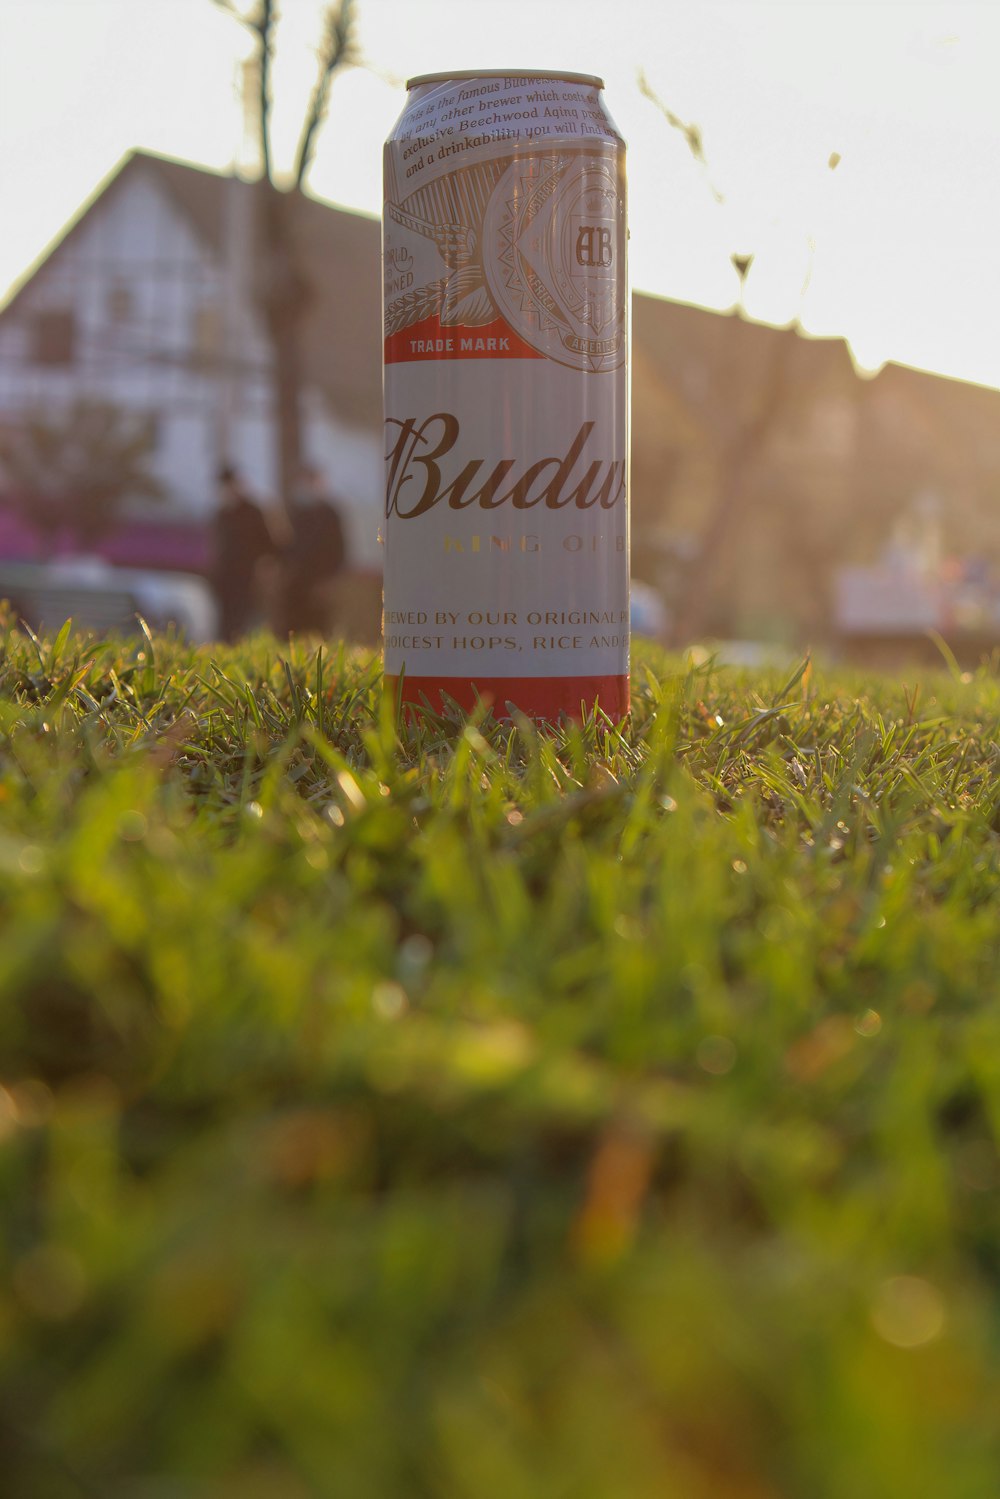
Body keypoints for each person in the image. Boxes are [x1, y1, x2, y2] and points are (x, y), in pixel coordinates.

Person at [280, 462, 348, 637]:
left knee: (319, 631)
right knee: (293, 631)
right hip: (296, 583)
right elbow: (287, 547)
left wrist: (329, 581)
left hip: (321, 582)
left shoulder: (329, 513)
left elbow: (339, 550)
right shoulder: (295, 511)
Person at [211, 464, 277, 641]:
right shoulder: (222, 514)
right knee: (226, 624)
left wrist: (265, 571)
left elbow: (270, 546)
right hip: (225, 579)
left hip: (248, 579)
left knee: (246, 623)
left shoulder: (253, 512)